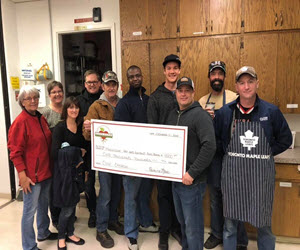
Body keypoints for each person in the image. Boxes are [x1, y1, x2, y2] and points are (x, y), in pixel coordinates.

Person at [214, 66, 292, 250]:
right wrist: (228, 151)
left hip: (260, 178)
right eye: (242, 83)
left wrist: (265, 151)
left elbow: (286, 139)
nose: (246, 86)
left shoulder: (270, 112)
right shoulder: (226, 113)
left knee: (263, 224)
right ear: (236, 87)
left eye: (250, 82)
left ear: (257, 83)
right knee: (230, 225)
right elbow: (215, 139)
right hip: (234, 178)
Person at [199, 61, 248, 250]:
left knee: (236, 198)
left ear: (224, 77)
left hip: (234, 156)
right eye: (213, 74)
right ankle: (217, 234)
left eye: (220, 74)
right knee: (215, 198)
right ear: (209, 77)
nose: (217, 77)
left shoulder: (235, 97)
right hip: (213, 158)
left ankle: (241, 239)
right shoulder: (203, 101)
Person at [166, 76, 216, 250]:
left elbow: (210, 147)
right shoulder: (173, 115)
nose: (184, 94)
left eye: (188, 90)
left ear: (193, 93)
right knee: (183, 224)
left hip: (192, 182)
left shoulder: (200, 116)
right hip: (176, 180)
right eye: (181, 90)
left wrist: (192, 173)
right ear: (176, 92)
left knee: (193, 227)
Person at [8, 85, 57, 250]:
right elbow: (15, 152)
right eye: (28, 98)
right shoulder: (20, 122)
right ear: (22, 102)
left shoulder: (40, 117)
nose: (33, 101)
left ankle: (43, 232)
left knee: (44, 206)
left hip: (45, 172)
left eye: (35, 97)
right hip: (31, 176)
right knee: (29, 212)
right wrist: (22, 176)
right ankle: (28, 246)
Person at [82, 71, 124, 248]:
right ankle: (101, 228)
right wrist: (88, 128)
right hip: (105, 159)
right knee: (105, 194)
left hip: (121, 157)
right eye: (108, 84)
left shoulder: (122, 104)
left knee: (116, 192)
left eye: (114, 84)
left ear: (118, 86)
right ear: (103, 86)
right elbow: (86, 136)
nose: (111, 87)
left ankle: (113, 220)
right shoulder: (96, 106)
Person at [147, 54, 182, 250]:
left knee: (178, 194)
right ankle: (164, 232)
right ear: (164, 71)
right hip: (162, 156)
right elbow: (151, 127)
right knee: (164, 195)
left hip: (181, 155)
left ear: (179, 71)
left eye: (175, 68)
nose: (172, 71)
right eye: (169, 68)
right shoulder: (155, 97)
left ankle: (177, 228)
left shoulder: (184, 93)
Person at [114, 65, 150, 250]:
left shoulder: (148, 99)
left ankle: (144, 221)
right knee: (130, 197)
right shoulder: (124, 103)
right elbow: (120, 134)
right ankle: (131, 234)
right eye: (132, 77)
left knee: (144, 192)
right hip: (131, 160)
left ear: (142, 76)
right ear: (127, 81)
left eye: (138, 75)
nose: (136, 78)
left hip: (148, 157)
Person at [52, 97, 86, 249]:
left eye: (76, 107)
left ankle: (70, 233)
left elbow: (85, 149)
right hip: (63, 174)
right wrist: (76, 152)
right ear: (65, 109)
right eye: (71, 107)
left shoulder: (80, 127)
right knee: (67, 207)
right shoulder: (59, 127)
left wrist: (82, 165)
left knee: (73, 204)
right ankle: (61, 237)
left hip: (76, 172)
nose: (74, 110)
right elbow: (54, 153)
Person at [77, 69, 103, 228]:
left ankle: (108, 211)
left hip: (105, 147)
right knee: (89, 182)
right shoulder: (78, 101)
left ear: (100, 83)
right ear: (85, 84)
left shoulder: (106, 97)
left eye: (95, 82)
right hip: (87, 148)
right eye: (89, 82)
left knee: (107, 182)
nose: (92, 85)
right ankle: (93, 212)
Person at [41, 80, 64, 229]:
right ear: (49, 95)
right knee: (54, 188)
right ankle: (55, 217)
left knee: (64, 186)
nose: (57, 94)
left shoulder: (67, 108)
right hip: (52, 156)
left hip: (65, 157)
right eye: (53, 92)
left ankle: (65, 213)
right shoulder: (45, 113)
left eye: (59, 91)